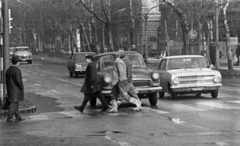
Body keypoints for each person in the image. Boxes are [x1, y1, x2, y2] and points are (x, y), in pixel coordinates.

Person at [6, 55, 25, 122]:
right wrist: (21, 87)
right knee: (13, 104)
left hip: (10, 89)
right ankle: (10, 117)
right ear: (17, 62)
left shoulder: (8, 70)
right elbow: (18, 81)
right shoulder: (17, 70)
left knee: (15, 103)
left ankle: (18, 117)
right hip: (16, 90)